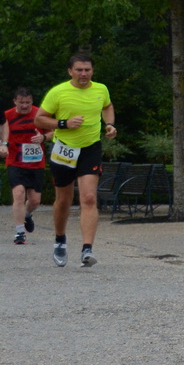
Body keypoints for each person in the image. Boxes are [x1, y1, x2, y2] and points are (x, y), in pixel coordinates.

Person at [35, 54, 116, 268]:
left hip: (90, 148)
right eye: (79, 70)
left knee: (89, 198)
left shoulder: (101, 89)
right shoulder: (58, 92)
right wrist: (64, 123)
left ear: (92, 71)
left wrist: (109, 125)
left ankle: (87, 249)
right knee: (64, 200)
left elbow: (107, 106)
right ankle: (60, 240)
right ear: (70, 71)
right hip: (64, 150)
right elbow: (39, 118)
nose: (83, 74)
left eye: (87, 70)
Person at [5, 86, 47, 245]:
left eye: (28, 102)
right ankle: (20, 233)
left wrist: (43, 138)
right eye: (21, 102)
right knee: (18, 194)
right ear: (15, 101)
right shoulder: (7, 116)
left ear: (32, 102)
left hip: (36, 163)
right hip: (15, 161)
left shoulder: (39, 114)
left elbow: (53, 132)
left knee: (35, 200)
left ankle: (27, 215)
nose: (24, 106)